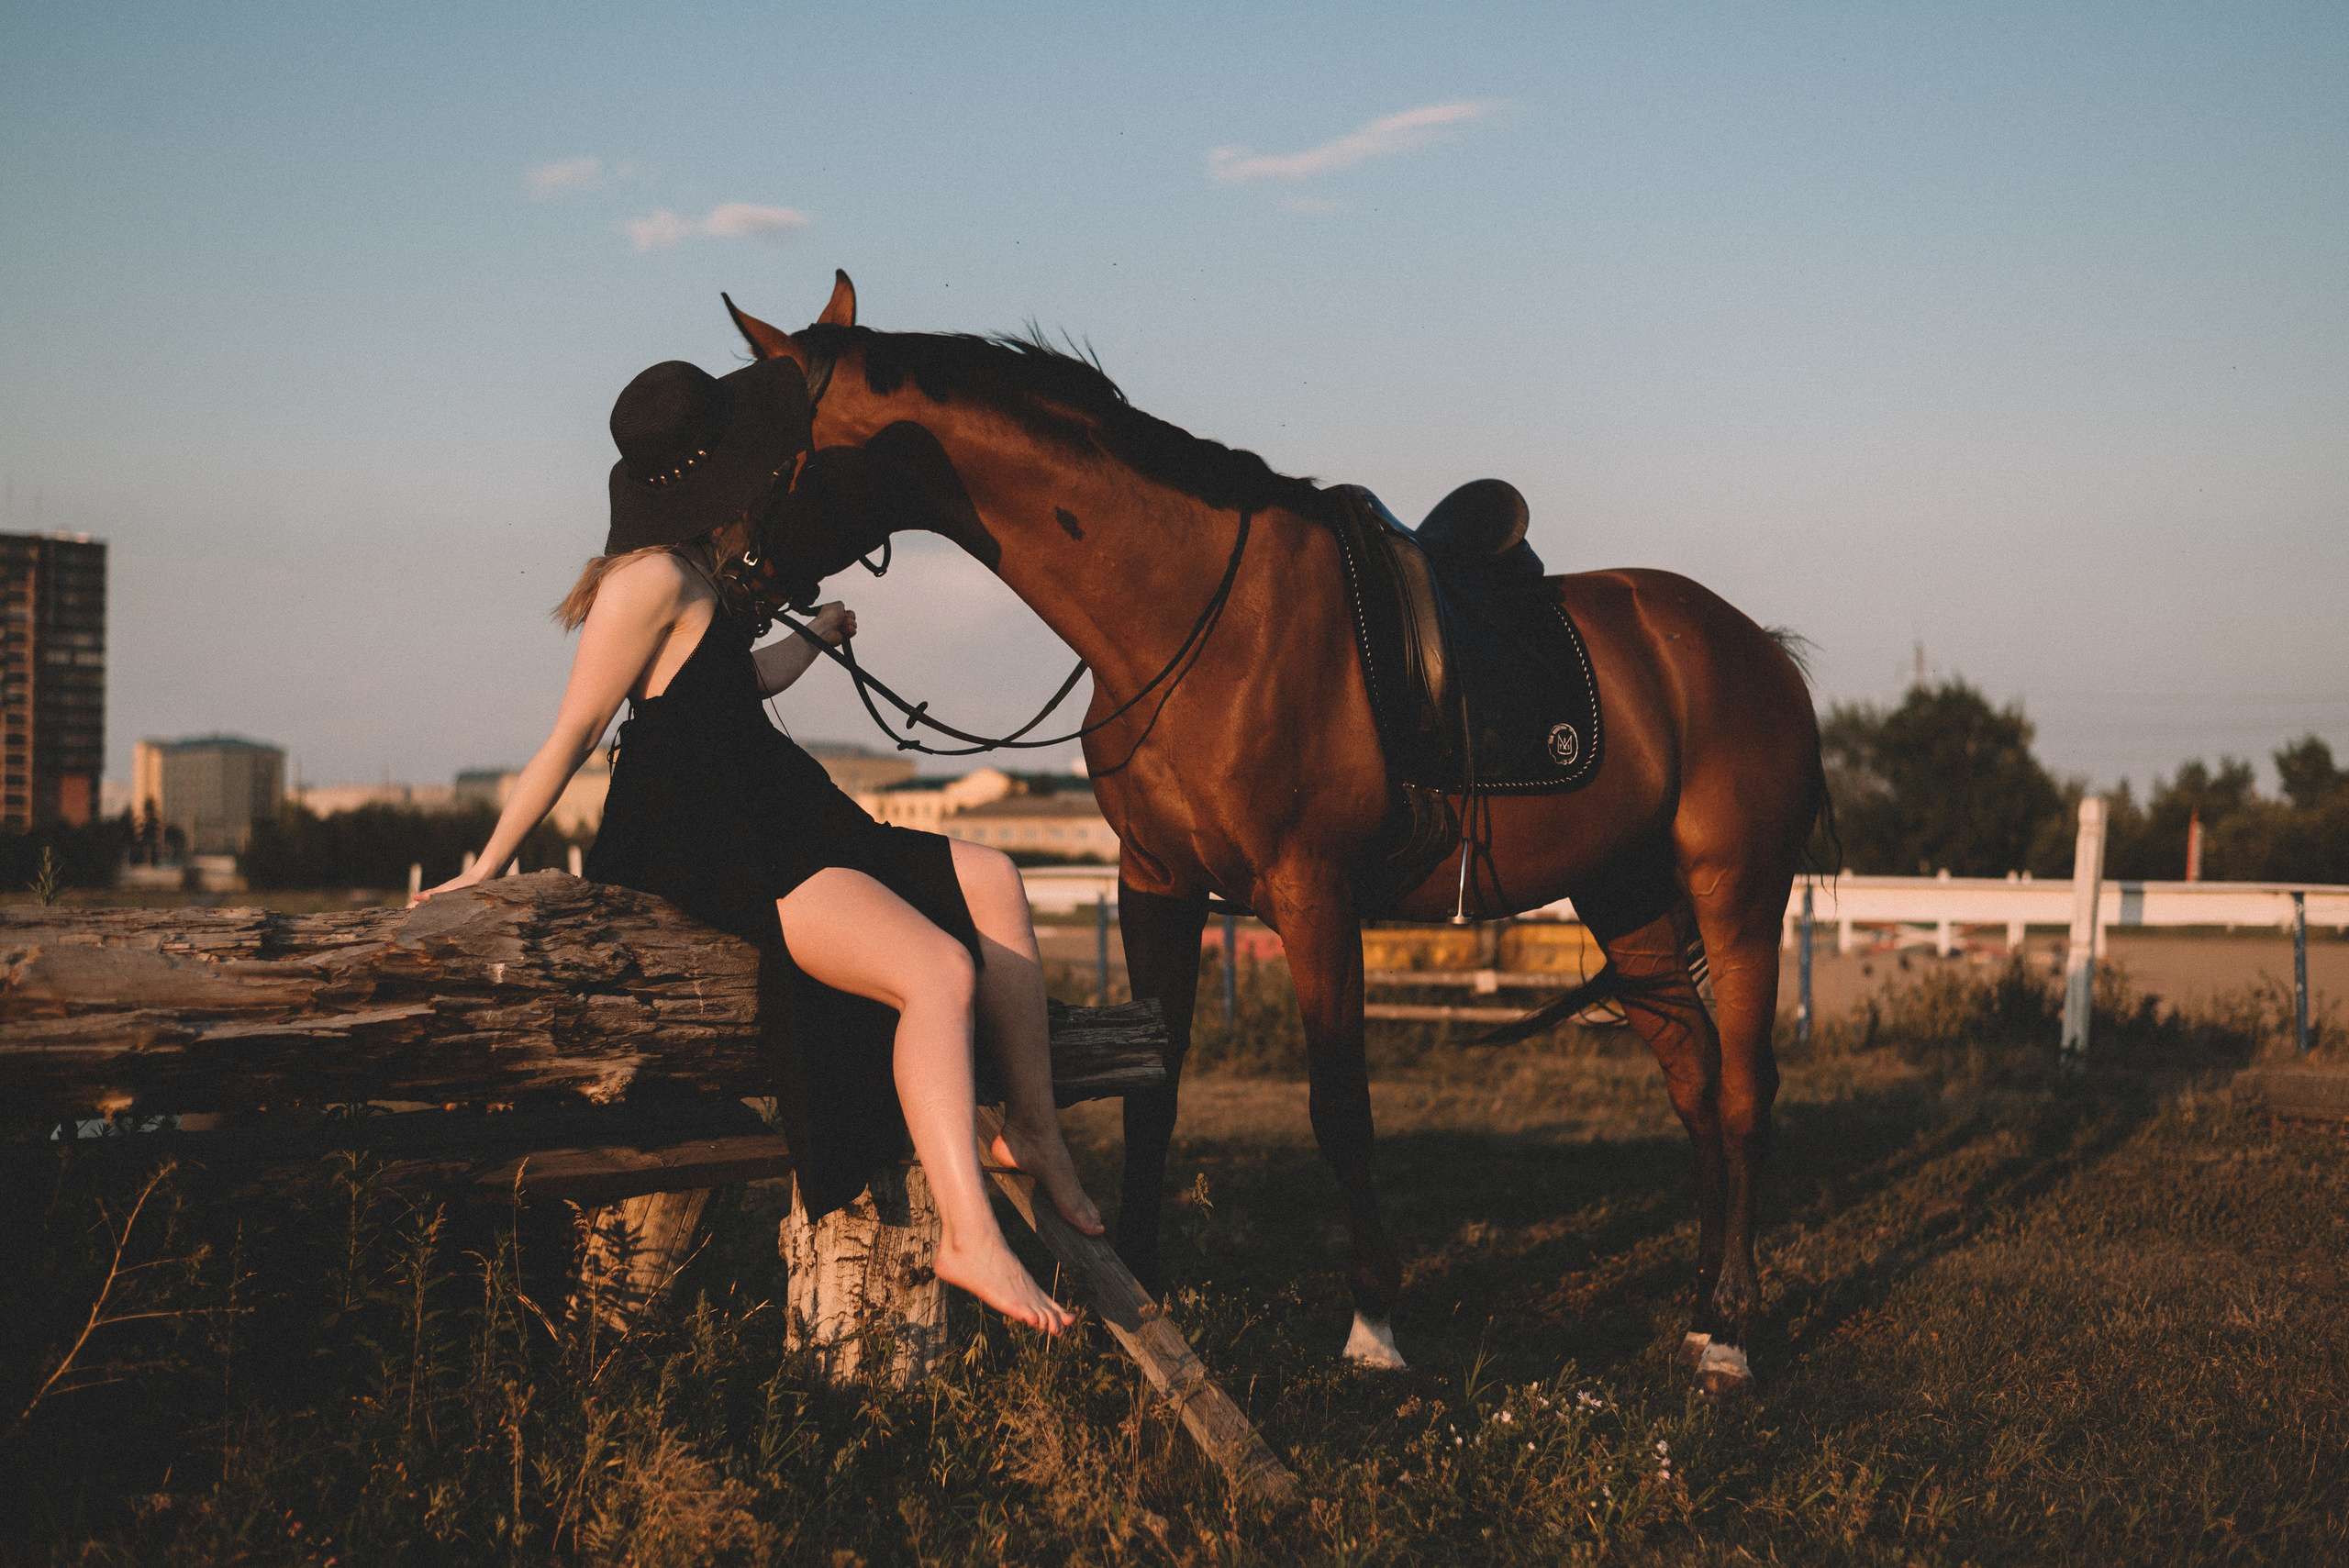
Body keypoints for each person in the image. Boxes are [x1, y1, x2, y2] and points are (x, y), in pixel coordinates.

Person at [416, 355, 1099, 1334]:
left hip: (780, 808)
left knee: (993, 877)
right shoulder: (645, 579)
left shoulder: (690, 568)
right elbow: (569, 734)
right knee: (937, 973)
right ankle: (970, 1233)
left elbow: (730, 690)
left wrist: (815, 634)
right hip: (716, 838)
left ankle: (1034, 1130)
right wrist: (485, 866)